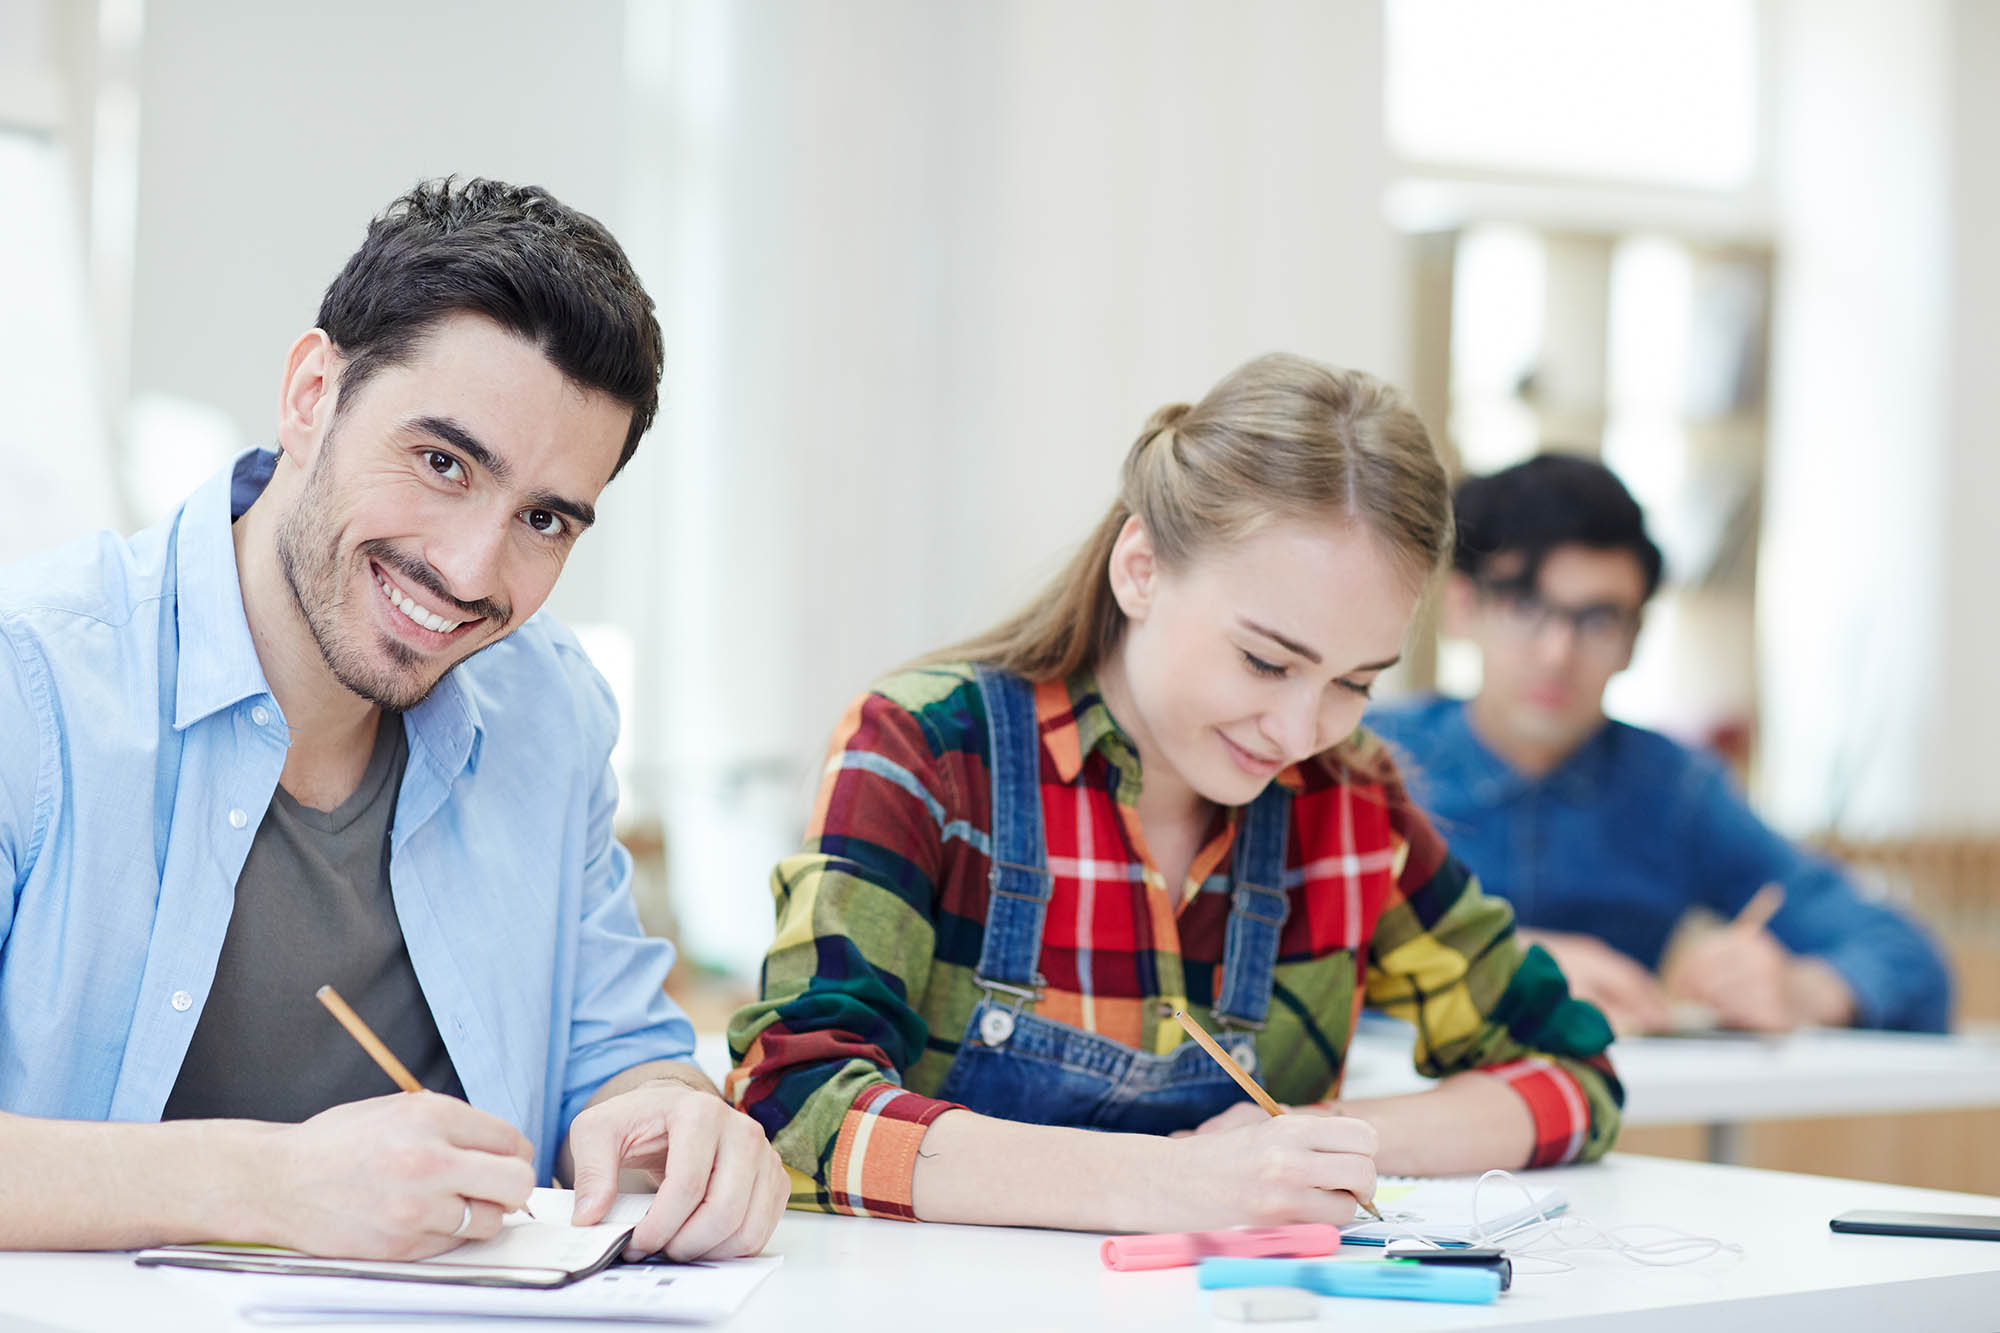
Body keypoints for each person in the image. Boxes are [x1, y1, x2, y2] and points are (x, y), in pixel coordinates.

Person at [0, 179, 786, 1259]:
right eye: (442, 462)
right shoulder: (31, 681)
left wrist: (671, 1118)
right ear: (311, 392)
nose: (471, 571)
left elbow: (617, 1057)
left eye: (544, 519)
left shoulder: (545, 703)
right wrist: (265, 1185)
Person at [725, 355, 1620, 1233]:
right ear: (1142, 568)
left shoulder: (1351, 806)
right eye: (1266, 660)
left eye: (1355, 682)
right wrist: (1171, 1181)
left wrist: (1327, 1141)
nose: (1298, 731)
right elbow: (791, 1104)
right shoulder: (928, 748)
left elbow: (1573, 1072)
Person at [1367, 453, 1951, 1035]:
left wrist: (1806, 990)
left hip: (1606, 1121)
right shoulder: (1366, 762)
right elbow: (1289, 957)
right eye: (1525, 606)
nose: (1557, 654)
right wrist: (1487, 960)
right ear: (1463, 607)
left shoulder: (1676, 791)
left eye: (1598, 620)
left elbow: (1909, 959)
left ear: (1634, 639)